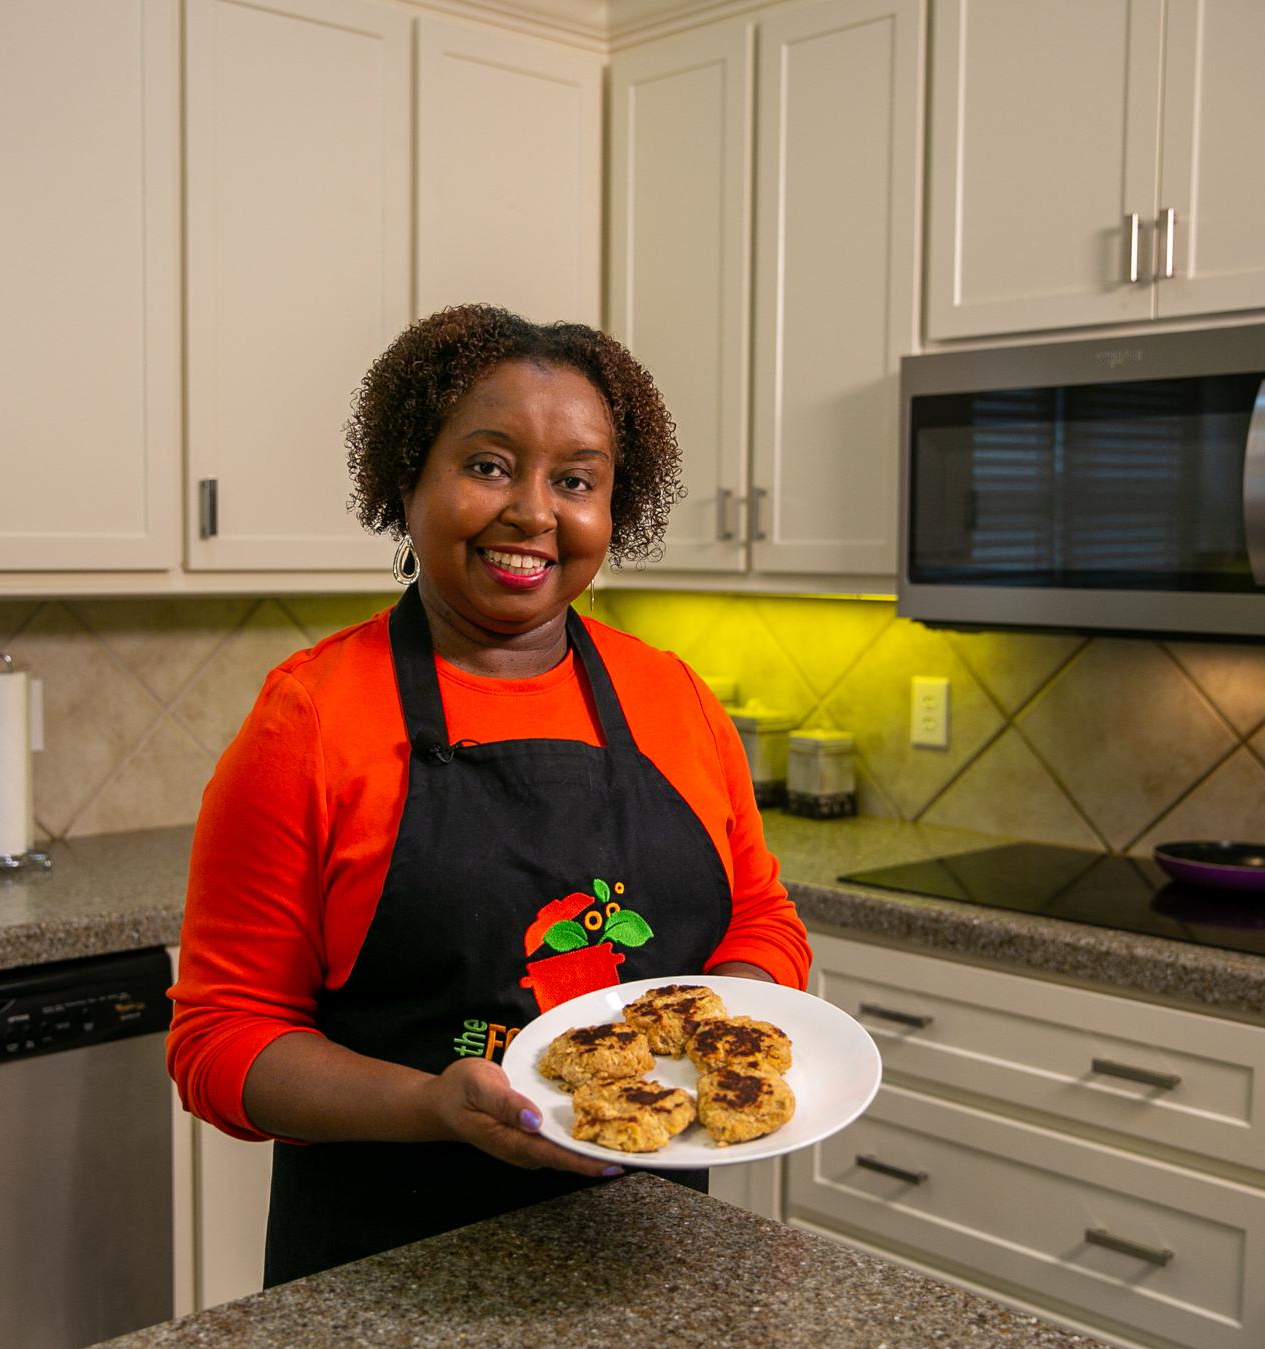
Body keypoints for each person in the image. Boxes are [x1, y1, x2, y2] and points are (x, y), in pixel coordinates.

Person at [167, 305, 811, 1286]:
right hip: (385, 1271)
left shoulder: (672, 695)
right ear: (409, 478)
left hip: (653, 1260)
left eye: (577, 480)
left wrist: (738, 1012)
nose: (535, 512)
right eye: (490, 465)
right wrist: (431, 1104)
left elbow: (761, 913)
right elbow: (222, 1039)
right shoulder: (309, 718)